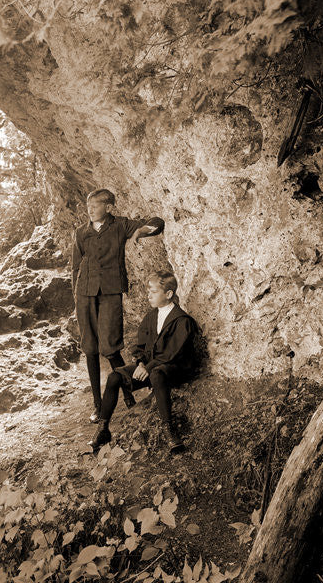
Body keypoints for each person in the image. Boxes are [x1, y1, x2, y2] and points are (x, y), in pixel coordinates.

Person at [71, 188, 164, 423]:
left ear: (109, 207)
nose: (90, 210)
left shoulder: (121, 225)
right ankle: (97, 405)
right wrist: (76, 298)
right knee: (89, 348)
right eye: (88, 205)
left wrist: (141, 231)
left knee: (111, 347)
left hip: (111, 292)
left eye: (95, 205)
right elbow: (74, 267)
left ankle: (128, 394)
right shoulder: (82, 232)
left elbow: (157, 223)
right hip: (85, 293)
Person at [92, 269, 198, 453]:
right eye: (148, 291)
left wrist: (148, 367)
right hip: (151, 367)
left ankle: (169, 430)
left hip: (175, 369)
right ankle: (103, 428)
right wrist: (140, 363)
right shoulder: (152, 316)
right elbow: (140, 345)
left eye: (154, 292)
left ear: (169, 294)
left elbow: (172, 353)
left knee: (157, 373)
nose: (149, 295)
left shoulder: (181, 320)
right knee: (115, 377)